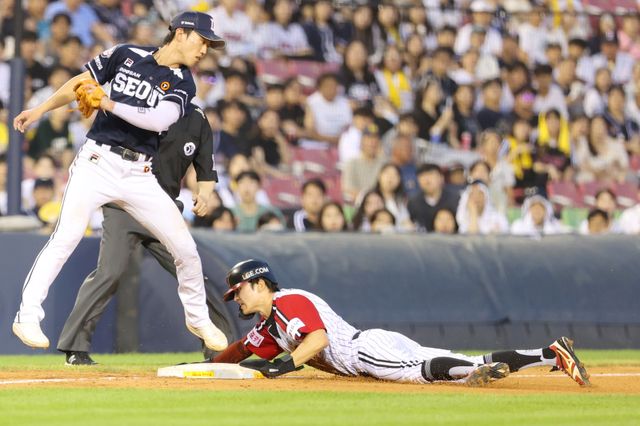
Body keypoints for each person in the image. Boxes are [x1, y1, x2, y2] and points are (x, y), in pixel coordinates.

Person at [11, 11, 229, 352]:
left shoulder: (184, 83)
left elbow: (158, 120)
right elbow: (81, 82)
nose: (205, 50)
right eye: (202, 41)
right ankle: (27, 315)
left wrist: (107, 102)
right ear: (181, 33)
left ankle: (198, 318)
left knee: (186, 249)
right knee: (66, 237)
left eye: (209, 45)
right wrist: (40, 110)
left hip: (140, 174)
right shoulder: (126, 53)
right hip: (97, 162)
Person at [208, 259, 590, 387]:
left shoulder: (288, 301)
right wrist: (203, 366)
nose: (236, 298)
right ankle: (551, 353)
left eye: (239, 291)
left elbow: (318, 339)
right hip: (373, 346)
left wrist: (284, 366)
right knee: (460, 361)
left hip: (363, 352)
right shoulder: (269, 325)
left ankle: (475, 373)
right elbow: (240, 350)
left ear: (261, 284)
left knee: (418, 373)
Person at [56, 105, 232, 364]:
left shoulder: (197, 119)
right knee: (110, 272)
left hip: (163, 210)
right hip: (124, 206)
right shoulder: (143, 104)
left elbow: (206, 168)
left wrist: (204, 195)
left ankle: (221, 351)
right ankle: (75, 348)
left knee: (194, 274)